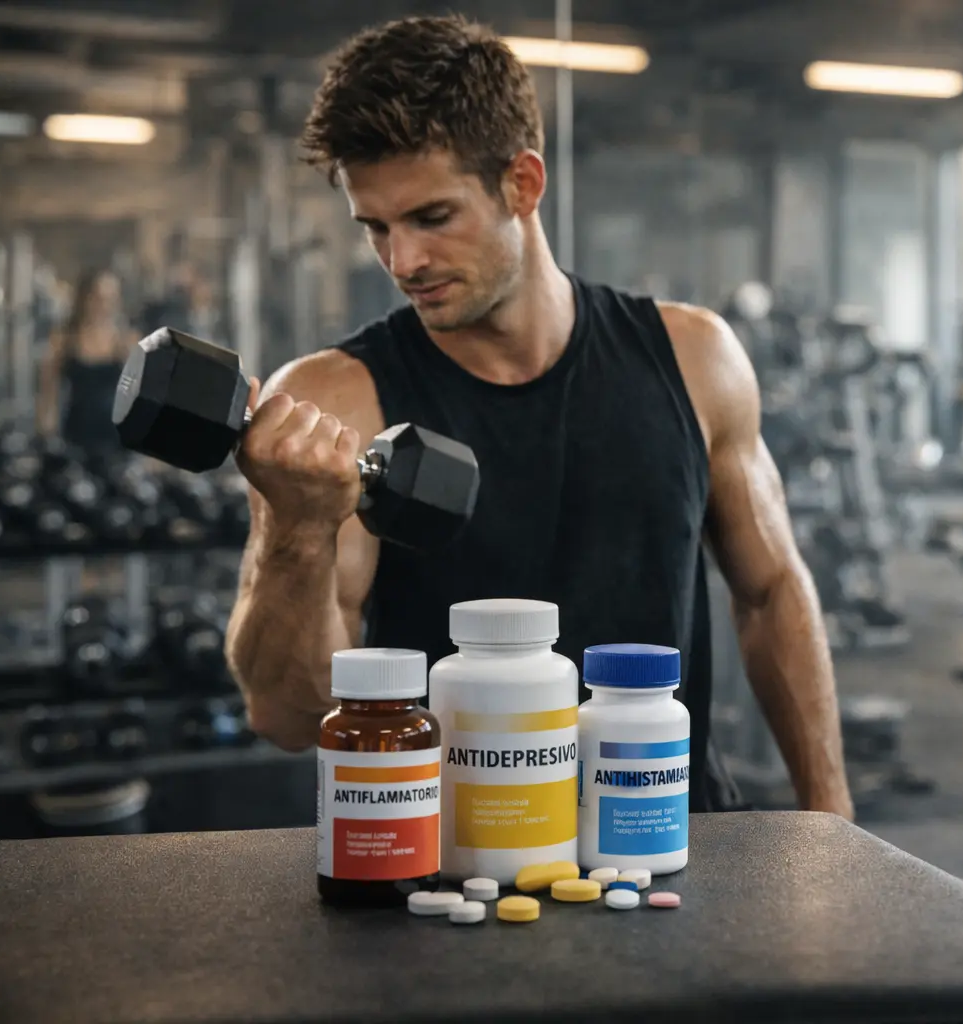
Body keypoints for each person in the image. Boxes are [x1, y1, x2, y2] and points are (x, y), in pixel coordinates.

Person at [221, 14, 853, 821]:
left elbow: (770, 594)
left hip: (664, 834)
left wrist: (833, 823)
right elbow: (286, 716)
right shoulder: (336, 401)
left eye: (432, 217)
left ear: (522, 184)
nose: (402, 262)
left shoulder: (695, 360)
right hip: (453, 864)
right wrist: (299, 531)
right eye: (375, 227)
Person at [37, 268, 135, 453]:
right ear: (84, 299)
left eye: (110, 299)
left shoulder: (125, 341)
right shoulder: (64, 339)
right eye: (98, 298)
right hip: (76, 436)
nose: (104, 306)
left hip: (115, 439)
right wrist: (45, 435)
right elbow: (48, 392)